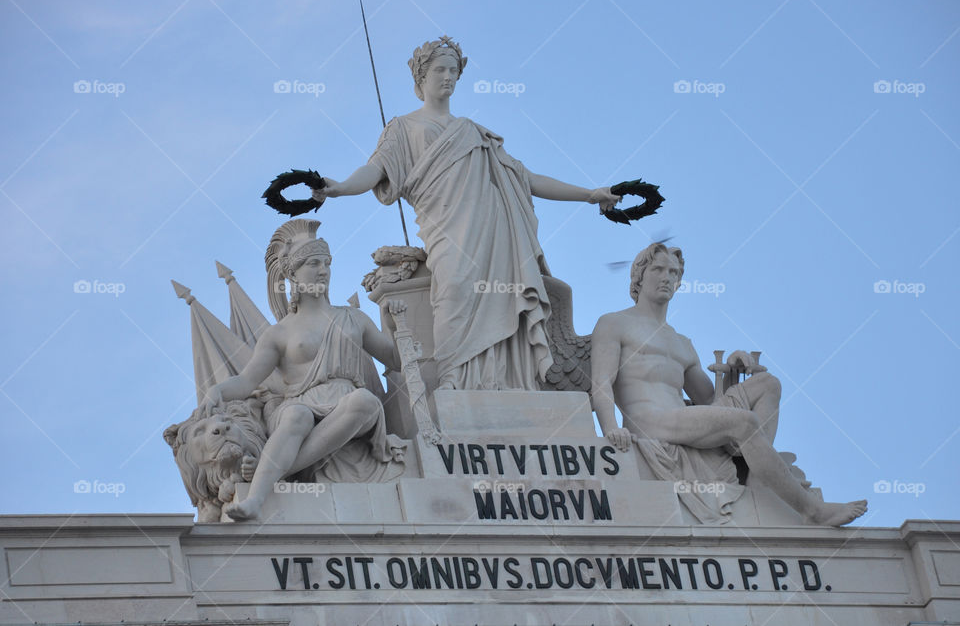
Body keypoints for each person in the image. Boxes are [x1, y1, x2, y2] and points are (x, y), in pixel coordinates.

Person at [311, 36, 620, 391]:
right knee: (454, 289)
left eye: (454, 70)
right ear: (421, 78)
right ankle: (452, 378)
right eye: (440, 70)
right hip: (447, 229)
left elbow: (528, 179)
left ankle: (506, 382)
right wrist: (340, 188)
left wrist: (589, 194)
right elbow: (375, 169)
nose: (448, 77)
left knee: (504, 295)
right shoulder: (403, 128)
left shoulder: (475, 133)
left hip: (494, 230)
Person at [590, 242, 868, 526]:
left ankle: (757, 472)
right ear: (639, 275)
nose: (667, 277)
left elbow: (710, 402)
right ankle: (813, 511)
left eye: (674, 272)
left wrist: (733, 370)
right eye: (658, 269)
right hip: (651, 423)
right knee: (744, 422)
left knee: (767, 384)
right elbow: (601, 382)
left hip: (682, 421)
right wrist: (612, 427)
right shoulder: (614, 323)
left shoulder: (682, 343)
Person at [200, 219, 405, 521]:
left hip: (348, 404)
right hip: (301, 403)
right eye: (313, 263)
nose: (323, 270)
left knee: (365, 401)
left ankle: (270, 470)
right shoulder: (278, 333)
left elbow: (396, 360)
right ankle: (255, 498)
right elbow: (247, 381)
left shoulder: (354, 318)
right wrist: (217, 390)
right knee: (297, 415)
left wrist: (393, 325)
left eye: (326, 263)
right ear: (293, 274)